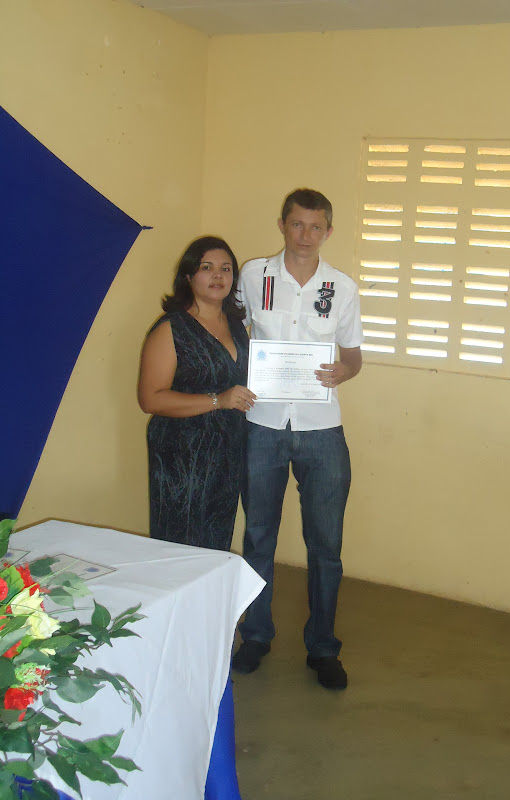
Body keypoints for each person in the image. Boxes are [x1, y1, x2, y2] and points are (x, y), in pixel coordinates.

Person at [232, 189, 363, 690]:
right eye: (296, 224)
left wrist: (343, 371)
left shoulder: (342, 288)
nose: (305, 235)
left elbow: (353, 354)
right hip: (262, 423)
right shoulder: (253, 276)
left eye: (315, 226)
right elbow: (232, 329)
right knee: (258, 537)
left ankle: (323, 647)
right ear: (282, 224)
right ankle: (256, 636)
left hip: (321, 428)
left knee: (326, 545)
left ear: (328, 231)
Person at [138, 236, 256, 551]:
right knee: (181, 544)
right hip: (183, 454)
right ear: (189, 276)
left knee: (216, 539)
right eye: (207, 267)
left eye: (226, 269)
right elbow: (150, 399)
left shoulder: (236, 325)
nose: (218, 275)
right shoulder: (171, 329)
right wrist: (218, 400)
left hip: (227, 450)